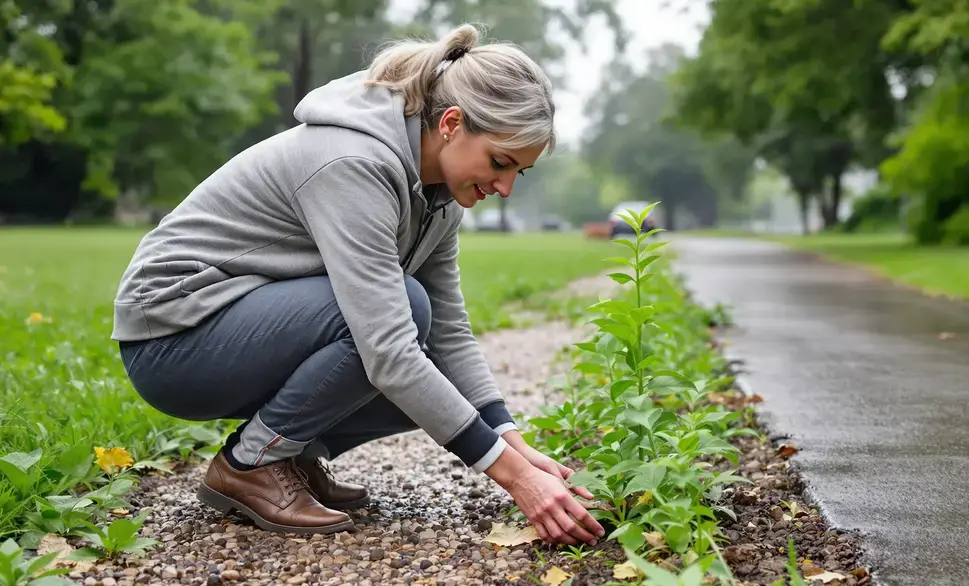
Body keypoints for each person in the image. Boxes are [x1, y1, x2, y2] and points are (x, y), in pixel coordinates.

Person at [110, 24, 606, 547]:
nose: (503, 187)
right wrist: (514, 478)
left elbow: (452, 331)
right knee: (402, 320)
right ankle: (251, 462)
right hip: (174, 341)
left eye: (518, 174)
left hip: (236, 330)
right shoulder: (352, 161)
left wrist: (511, 439)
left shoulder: (439, 195)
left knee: (427, 351)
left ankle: (292, 455)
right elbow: (388, 349)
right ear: (452, 124)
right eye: (500, 163)